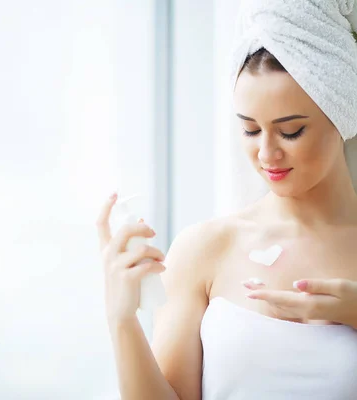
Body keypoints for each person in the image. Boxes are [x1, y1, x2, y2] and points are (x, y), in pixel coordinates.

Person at [96, 1, 357, 399]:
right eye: (251, 130)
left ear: (341, 113)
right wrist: (121, 319)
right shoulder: (205, 249)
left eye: (291, 132)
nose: (267, 154)